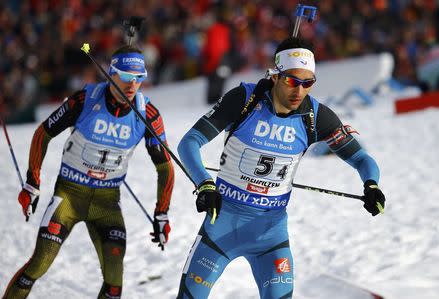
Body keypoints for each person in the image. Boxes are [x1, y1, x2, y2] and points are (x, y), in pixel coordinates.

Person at [176, 37, 385, 298]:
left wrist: (371, 184)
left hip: (270, 235)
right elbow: (190, 142)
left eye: (307, 83)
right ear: (275, 75)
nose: (299, 91)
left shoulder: (316, 117)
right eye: (291, 81)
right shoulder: (245, 99)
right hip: (221, 227)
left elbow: (361, 158)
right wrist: (204, 183)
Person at [2, 45, 175, 299]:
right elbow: (43, 133)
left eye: (139, 78)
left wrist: (161, 214)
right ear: (111, 74)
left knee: (115, 280)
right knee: (40, 263)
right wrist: (32, 182)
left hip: (107, 203)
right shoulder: (86, 99)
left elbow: (165, 167)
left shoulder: (147, 114)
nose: (132, 85)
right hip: (70, 195)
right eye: (126, 77)